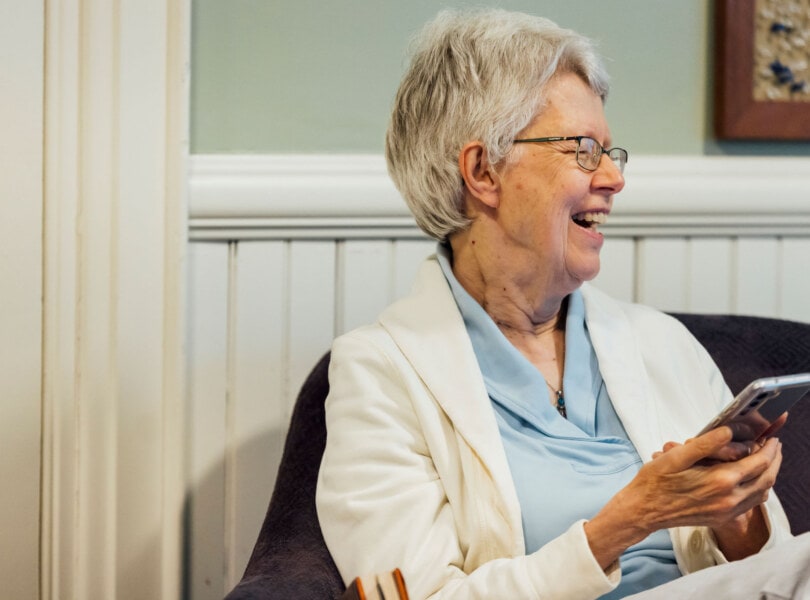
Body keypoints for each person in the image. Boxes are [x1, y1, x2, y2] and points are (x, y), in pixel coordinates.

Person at [316, 8, 803, 599]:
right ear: (483, 171)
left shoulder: (661, 342)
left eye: (610, 151)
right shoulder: (380, 373)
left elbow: (772, 571)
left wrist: (734, 513)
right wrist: (630, 519)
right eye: (583, 150)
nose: (614, 178)